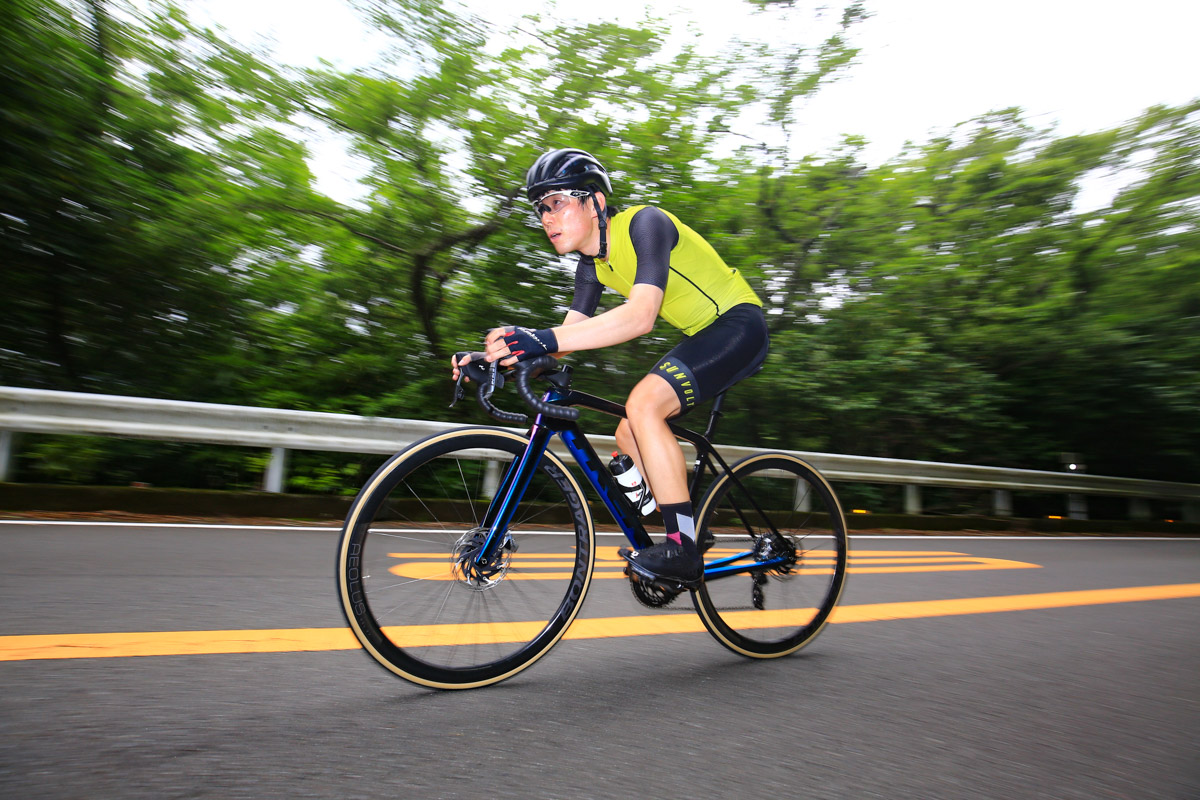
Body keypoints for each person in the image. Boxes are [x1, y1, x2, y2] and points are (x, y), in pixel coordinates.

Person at [452, 148, 769, 587]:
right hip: (702, 334)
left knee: (643, 406)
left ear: (596, 202)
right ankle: (689, 530)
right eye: (540, 208)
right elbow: (563, 342)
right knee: (627, 430)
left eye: (557, 202)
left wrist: (539, 339)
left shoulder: (646, 224)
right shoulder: (591, 267)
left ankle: (682, 549)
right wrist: (496, 361)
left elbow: (640, 316)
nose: (546, 217)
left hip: (739, 323)